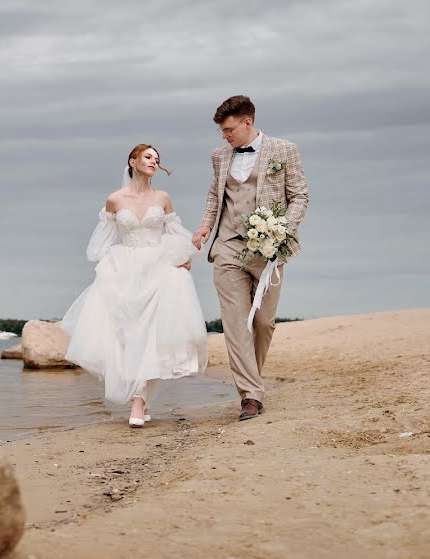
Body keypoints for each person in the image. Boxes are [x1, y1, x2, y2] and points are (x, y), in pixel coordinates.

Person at [61, 144, 209, 428]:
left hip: (158, 269)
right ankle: (141, 400)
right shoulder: (115, 200)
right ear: (133, 161)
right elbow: (102, 242)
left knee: (151, 334)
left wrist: (183, 256)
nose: (154, 161)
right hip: (125, 270)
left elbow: (173, 232)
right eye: (148, 157)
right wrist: (110, 266)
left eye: (157, 158)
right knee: (128, 336)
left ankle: (139, 402)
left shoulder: (163, 197)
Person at [191, 95, 310, 421]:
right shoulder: (219, 157)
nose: (225, 136)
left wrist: (284, 227)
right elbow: (216, 194)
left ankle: (250, 381)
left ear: (247, 122)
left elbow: (299, 195)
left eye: (229, 129)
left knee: (263, 322)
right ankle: (251, 396)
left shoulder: (284, 150)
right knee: (235, 324)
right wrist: (204, 225)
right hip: (228, 246)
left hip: (270, 249)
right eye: (221, 131)